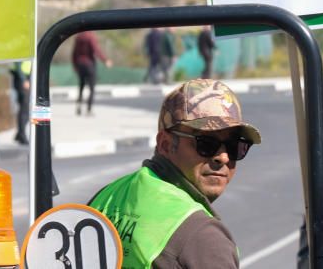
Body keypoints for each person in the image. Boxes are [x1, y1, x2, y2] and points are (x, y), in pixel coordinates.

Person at [89, 79, 260, 268]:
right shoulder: (203, 238)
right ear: (165, 144)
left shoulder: (106, 197)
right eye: (206, 143)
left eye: (234, 146)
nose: (224, 157)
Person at [72, 30, 112, 116]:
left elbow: (74, 53)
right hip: (89, 64)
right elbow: (96, 50)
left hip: (80, 64)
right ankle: (89, 109)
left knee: (81, 86)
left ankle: (79, 106)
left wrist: (75, 65)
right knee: (92, 88)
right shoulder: (90, 36)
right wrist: (105, 60)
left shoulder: (78, 37)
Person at [10, 61, 31, 145]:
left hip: (24, 79)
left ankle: (19, 134)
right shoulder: (22, 49)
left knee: (25, 109)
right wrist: (24, 80)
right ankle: (22, 135)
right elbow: (18, 66)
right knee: (24, 110)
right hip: (22, 80)